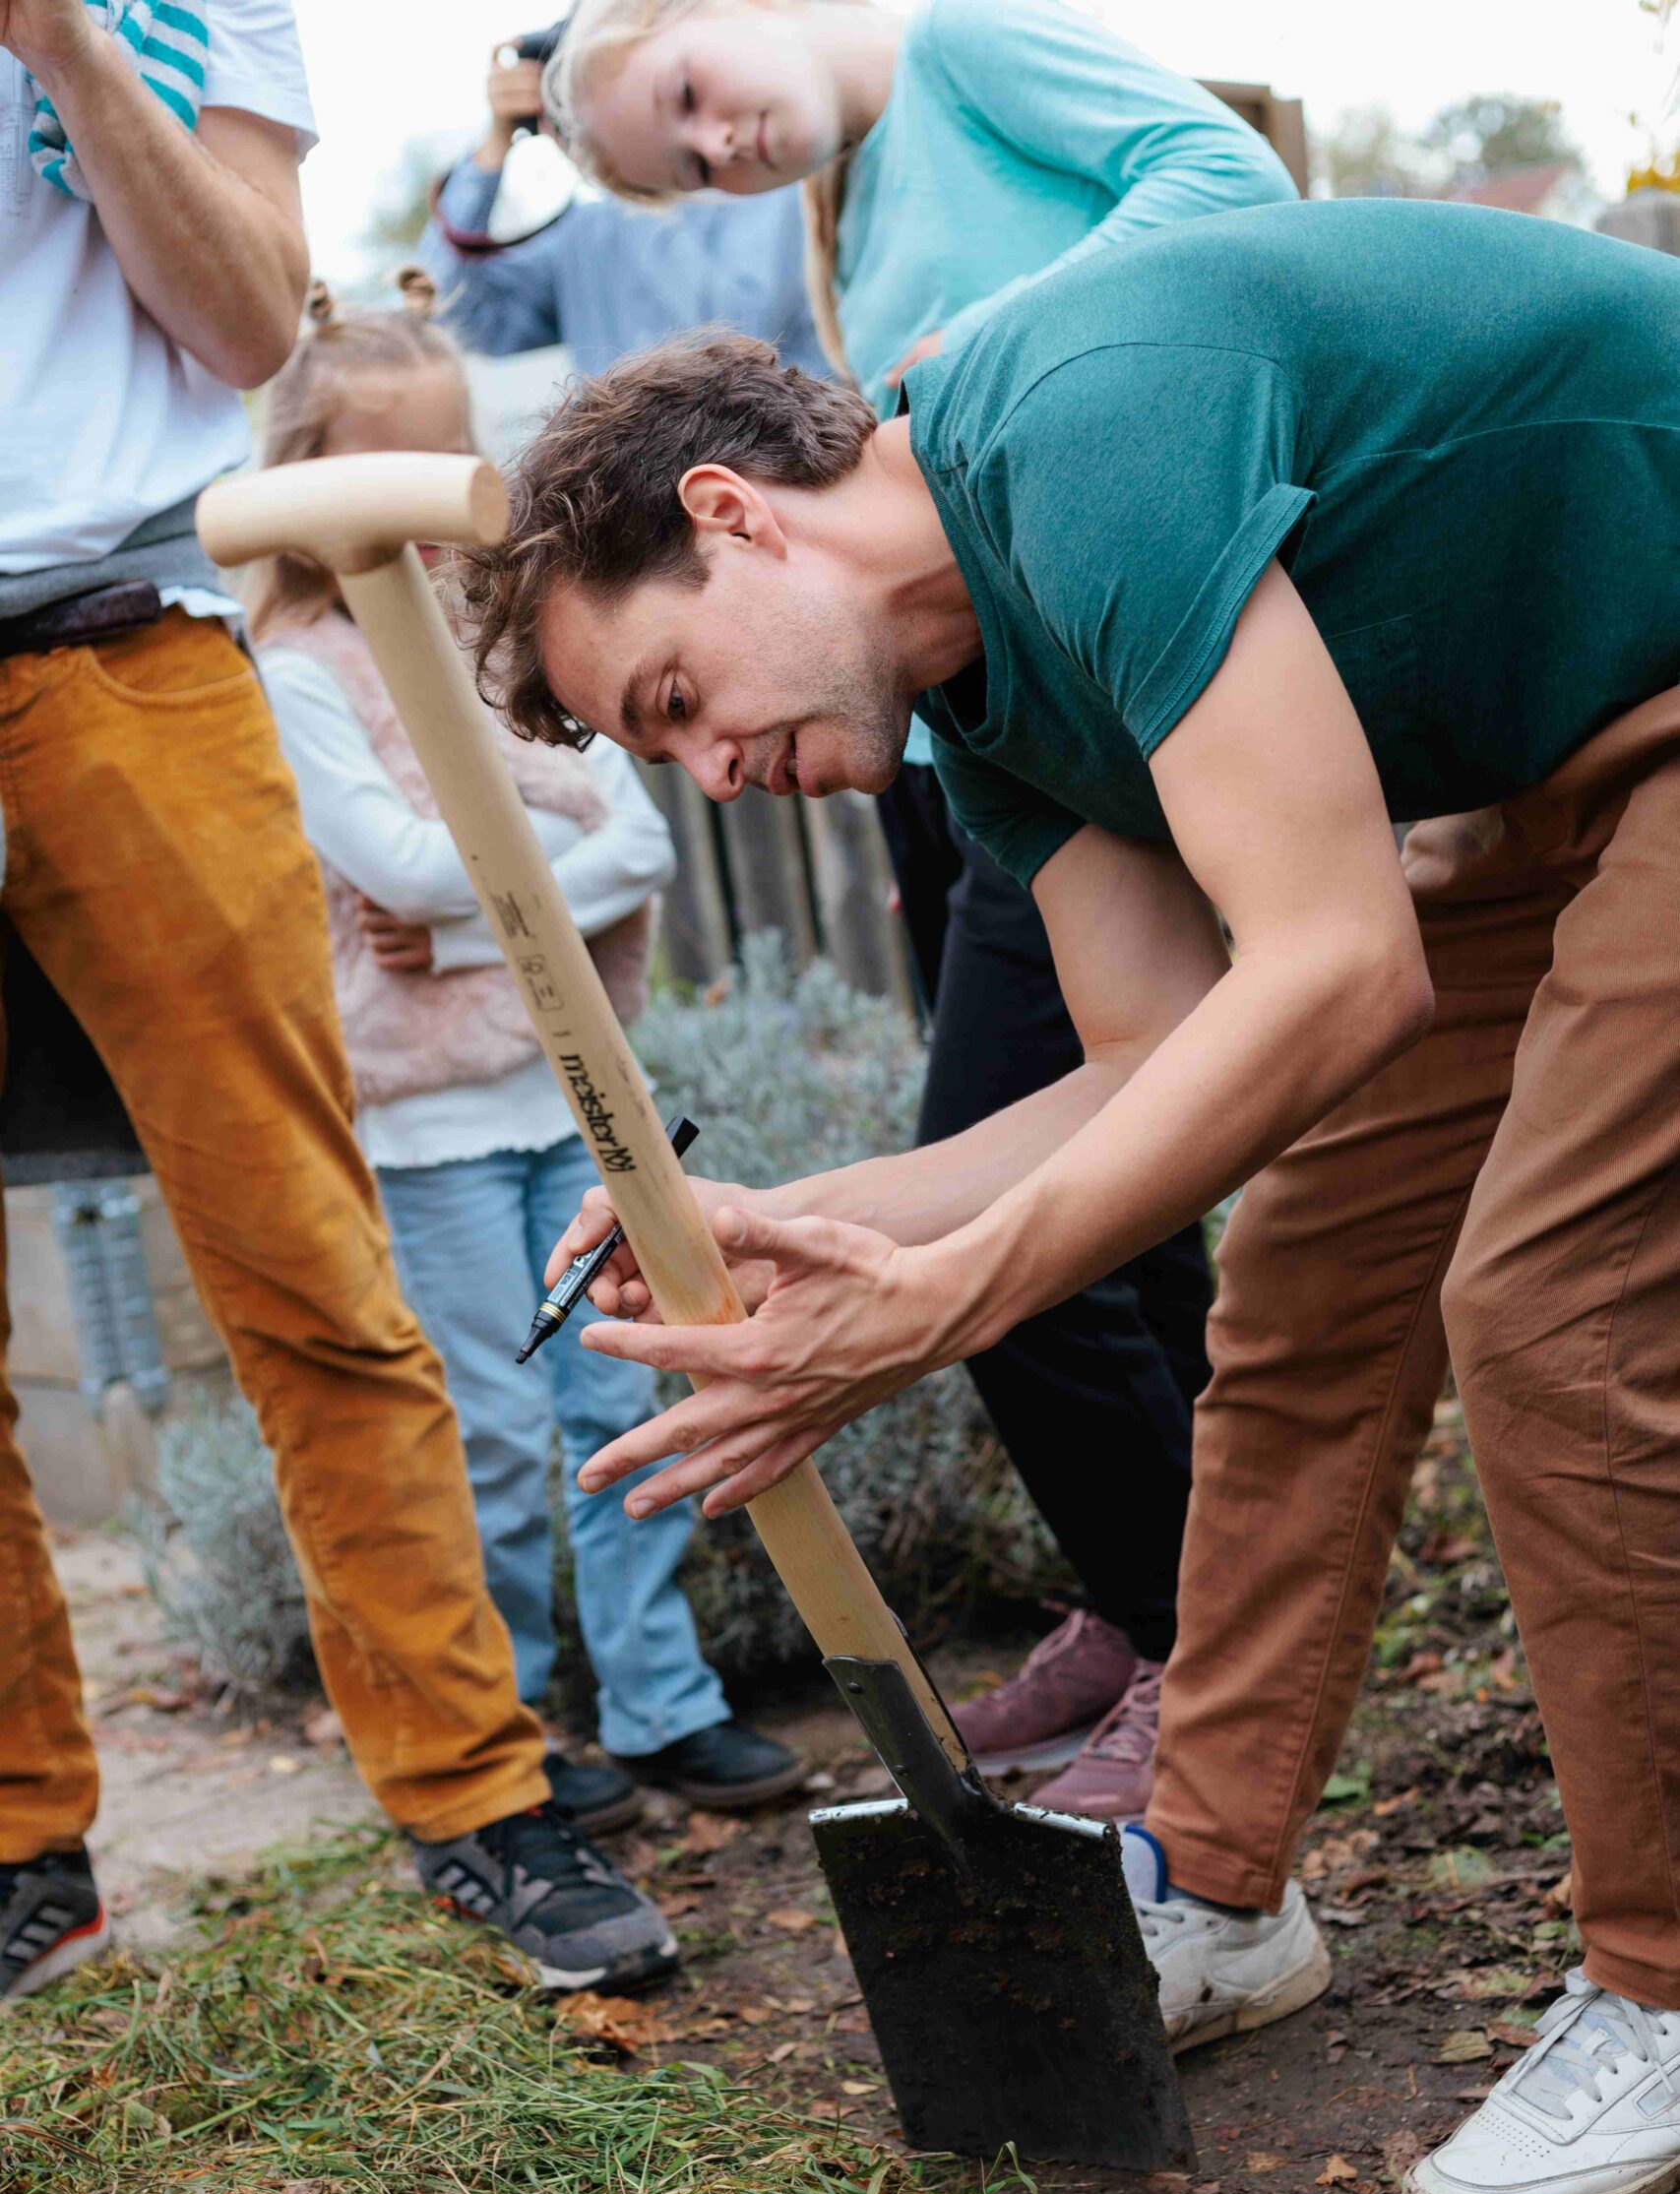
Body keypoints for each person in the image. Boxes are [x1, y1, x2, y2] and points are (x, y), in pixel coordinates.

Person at [463, 199, 1680, 2194]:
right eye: (658, 748)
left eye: (672, 694)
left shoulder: (1082, 428)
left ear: (736, 513)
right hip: (1558, 768)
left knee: (1541, 1308)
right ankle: (1212, 1881)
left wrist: (935, 1303)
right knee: (1292, 1287)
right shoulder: (987, 701)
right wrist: (810, 1218)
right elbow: (1163, 1069)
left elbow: (1338, 969)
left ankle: (1661, 1973)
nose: (707, 772)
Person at [538, 0, 1300, 1813]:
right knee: (1133, 1194)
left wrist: (997, 356)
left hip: (1145, 664)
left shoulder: (966, 52)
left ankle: (1212, 1650)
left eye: (691, 103)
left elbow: (1227, 175)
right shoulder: (858, 216)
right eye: (685, 167)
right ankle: (1183, 1617)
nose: (723, 148)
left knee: (1058, 1199)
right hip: (999, 746)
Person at [0, 0, 674, 2002]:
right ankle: (25, 1845)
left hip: (128, 637)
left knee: (301, 1261)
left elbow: (240, 318)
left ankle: (473, 1792)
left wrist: (64, 43)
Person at [253, 280, 805, 1822]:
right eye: (386, 488)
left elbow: (631, 842)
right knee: (490, 1433)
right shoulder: (303, 672)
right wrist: (501, 873)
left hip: (570, 1101)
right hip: (430, 1131)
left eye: (444, 484)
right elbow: (386, 862)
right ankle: (507, 1728)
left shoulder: (498, 656)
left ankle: (656, 1701)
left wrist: (482, 896)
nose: (427, 541)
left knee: (622, 1401)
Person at [418, 30, 829, 377]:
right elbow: (456, 316)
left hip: (782, 463)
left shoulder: (779, 183)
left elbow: (728, 337)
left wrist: (633, 169)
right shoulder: (585, 235)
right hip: (634, 473)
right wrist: (493, 149)